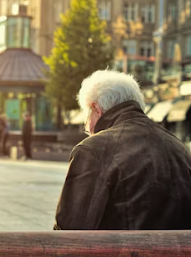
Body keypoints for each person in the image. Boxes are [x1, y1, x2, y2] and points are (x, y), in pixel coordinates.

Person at [54, 70, 191, 230]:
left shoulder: (93, 150)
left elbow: (70, 230)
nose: (87, 126)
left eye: (87, 116)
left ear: (96, 109)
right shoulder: (179, 146)